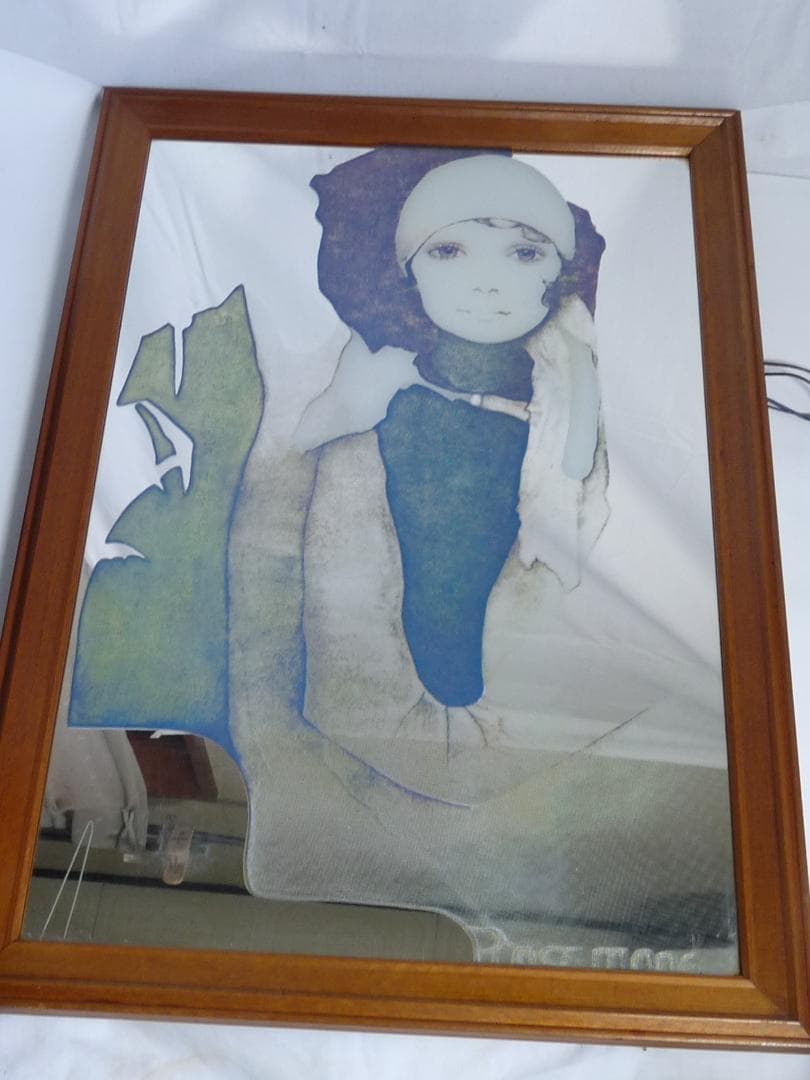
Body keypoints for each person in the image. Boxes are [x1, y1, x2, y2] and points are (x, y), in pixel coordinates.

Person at [293, 150, 609, 804]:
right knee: (418, 586)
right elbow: (325, 421)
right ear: (409, 269)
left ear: (557, 270)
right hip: (419, 439)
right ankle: (427, 704)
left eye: (524, 254)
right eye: (449, 252)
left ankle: (457, 704)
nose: (486, 283)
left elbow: (576, 454)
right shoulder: (387, 359)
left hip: (507, 459)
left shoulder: (565, 353)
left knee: (476, 597)